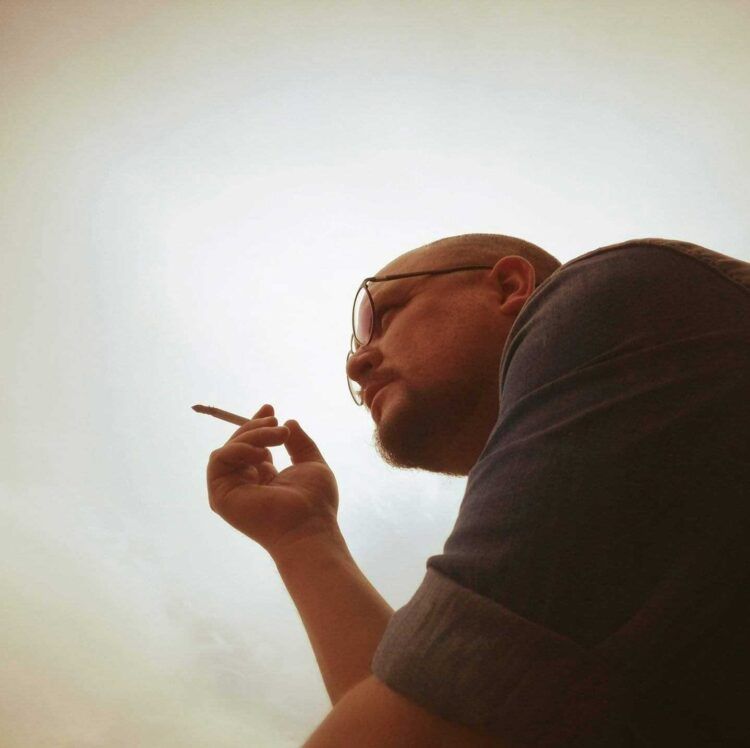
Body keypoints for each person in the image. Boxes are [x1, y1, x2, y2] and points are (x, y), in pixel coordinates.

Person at [205, 234, 750, 746]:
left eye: (380, 316)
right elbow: (434, 707)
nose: (356, 362)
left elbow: (426, 729)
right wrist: (303, 535)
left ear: (510, 286)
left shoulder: (624, 298)